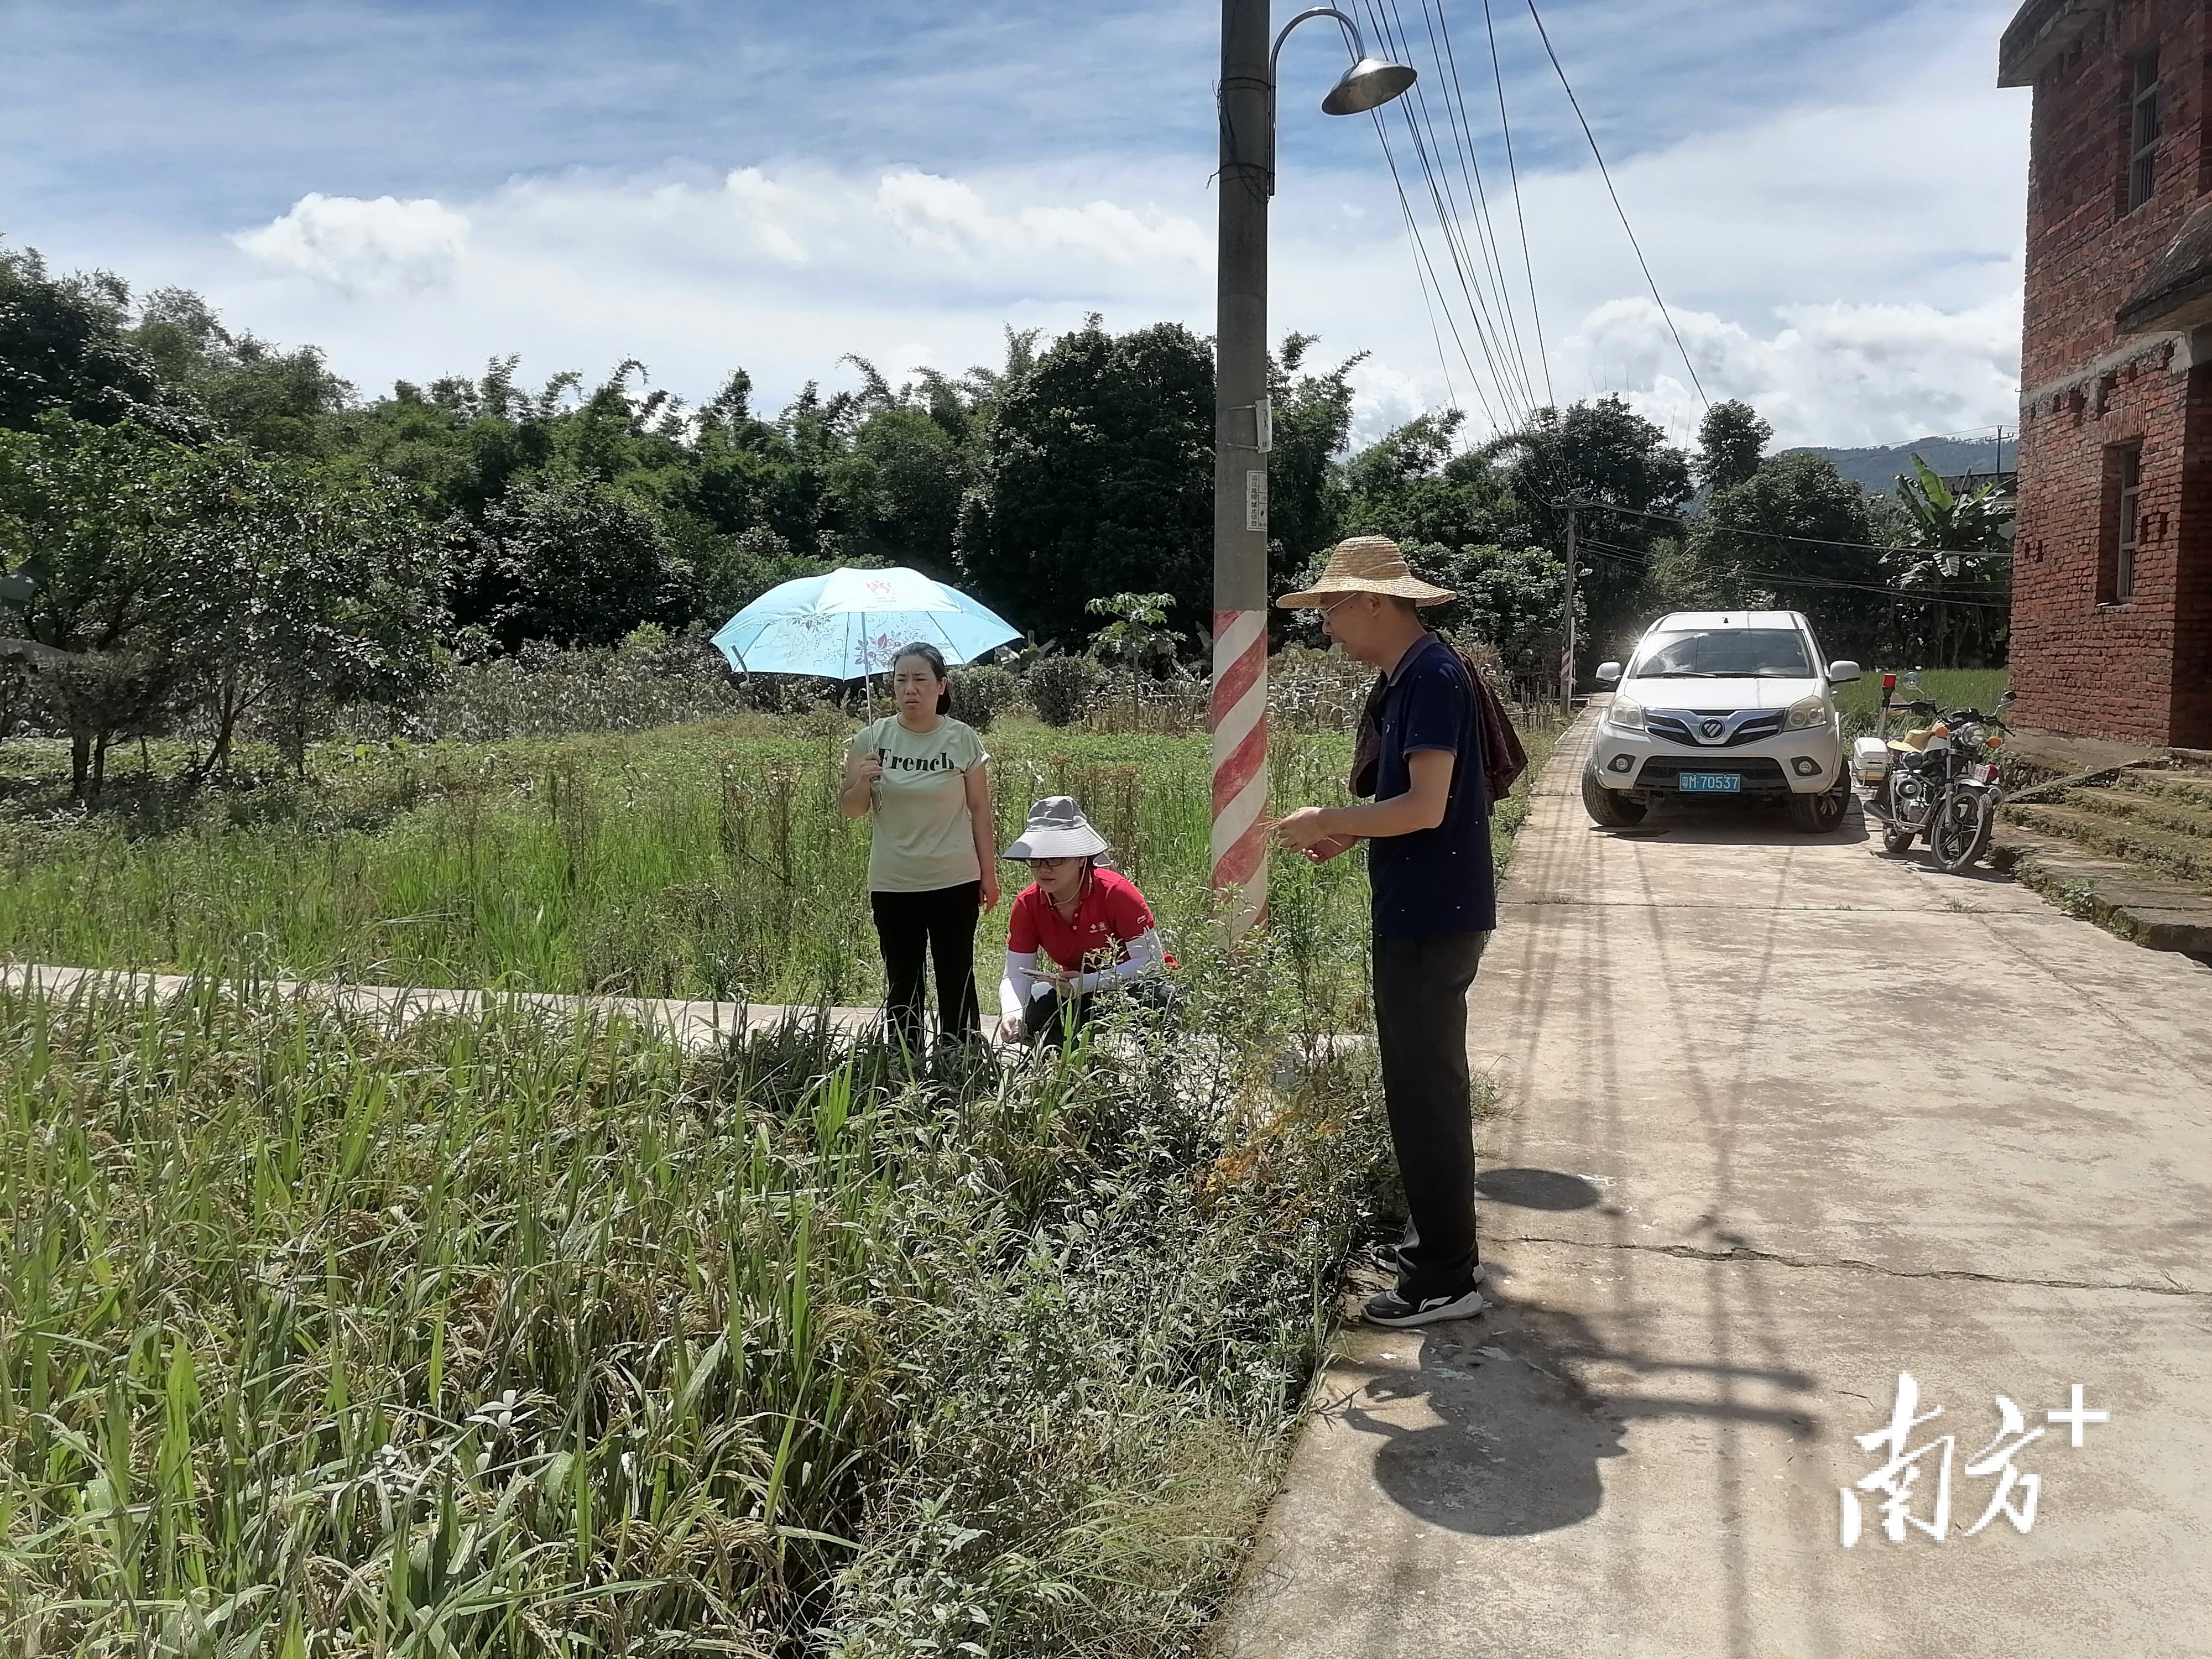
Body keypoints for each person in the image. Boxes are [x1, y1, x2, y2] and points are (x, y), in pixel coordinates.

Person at [1271, 536, 1495, 1329]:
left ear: (1375, 602)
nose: (1328, 626)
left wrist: (1330, 817)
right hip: (1424, 908)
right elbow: (1409, 811)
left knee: (1426, 1096)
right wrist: (1348, 835)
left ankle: (1443, 1277)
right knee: (1423, 1091)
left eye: (1332, 609)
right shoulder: (1412, 676)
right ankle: (1441, 1250)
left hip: (1430, 918)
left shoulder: (1429, 678)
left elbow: (1427, 807)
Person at [840, 641, 999, 1055]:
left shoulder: (962, 739)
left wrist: (989, 874)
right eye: (901, 681)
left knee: (956, 975)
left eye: (920, 680)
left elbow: (980, 811)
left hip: (955, 879)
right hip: (894, 882)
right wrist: (863, 781)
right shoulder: (871, 738)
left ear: (941, 686)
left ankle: (959, 1059)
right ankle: (905, 1063)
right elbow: (851, 810)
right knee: (903, 980)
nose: (910, 689)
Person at [995, 796, 1174, 1047]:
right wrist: (1012, 1013)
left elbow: (1152, 963)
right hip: (1076, 991)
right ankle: (1066, 1075)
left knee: (1161, 998)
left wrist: (1087, 983)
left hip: (1133, 985)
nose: (1044, 868)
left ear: (1081, 859)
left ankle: (1158, 1077)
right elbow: (1016, 973)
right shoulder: (1027, 904)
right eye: (1035, 859)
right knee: (1035, 1010)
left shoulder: (1117, 892)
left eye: (1055, 859)